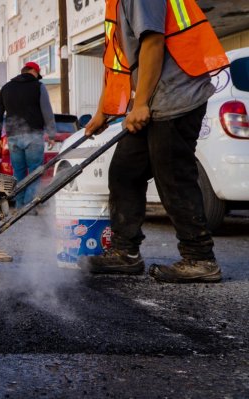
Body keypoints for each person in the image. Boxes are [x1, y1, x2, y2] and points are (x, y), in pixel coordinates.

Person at [79, 0, 229, 283]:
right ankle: (126, 253)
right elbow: (117, 63)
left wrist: (141, 104)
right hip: (155, 98)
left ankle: (200, 258)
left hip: (176, 95)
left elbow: (153, 42)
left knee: (172, 175)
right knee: (125, 171)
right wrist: (103, 111)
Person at [0, 61, 56, 210]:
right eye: (37, 74)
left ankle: (20, 205)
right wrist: (51, 134)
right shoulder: (38, 86)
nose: (37, 77)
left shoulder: (6, 88)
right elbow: (47, 111)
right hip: (33, 135)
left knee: (18, 172)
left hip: (13, 136)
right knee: (34, 171)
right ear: (33, 71)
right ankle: (28, 206)